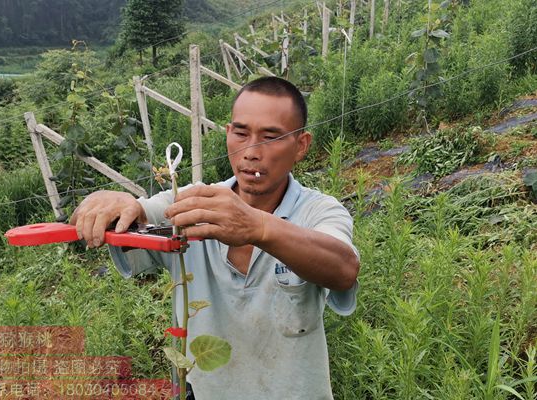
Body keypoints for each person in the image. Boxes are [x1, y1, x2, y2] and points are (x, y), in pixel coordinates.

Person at [71, 77, 360, 399]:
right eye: (241, 133)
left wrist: (259, 228)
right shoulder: (190, 204)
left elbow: (343, 269)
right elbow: (140, 213)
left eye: (271, 136)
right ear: (227, 134)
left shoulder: (318, 211)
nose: (251, 152)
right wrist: (117, 202)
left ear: (301, 146)